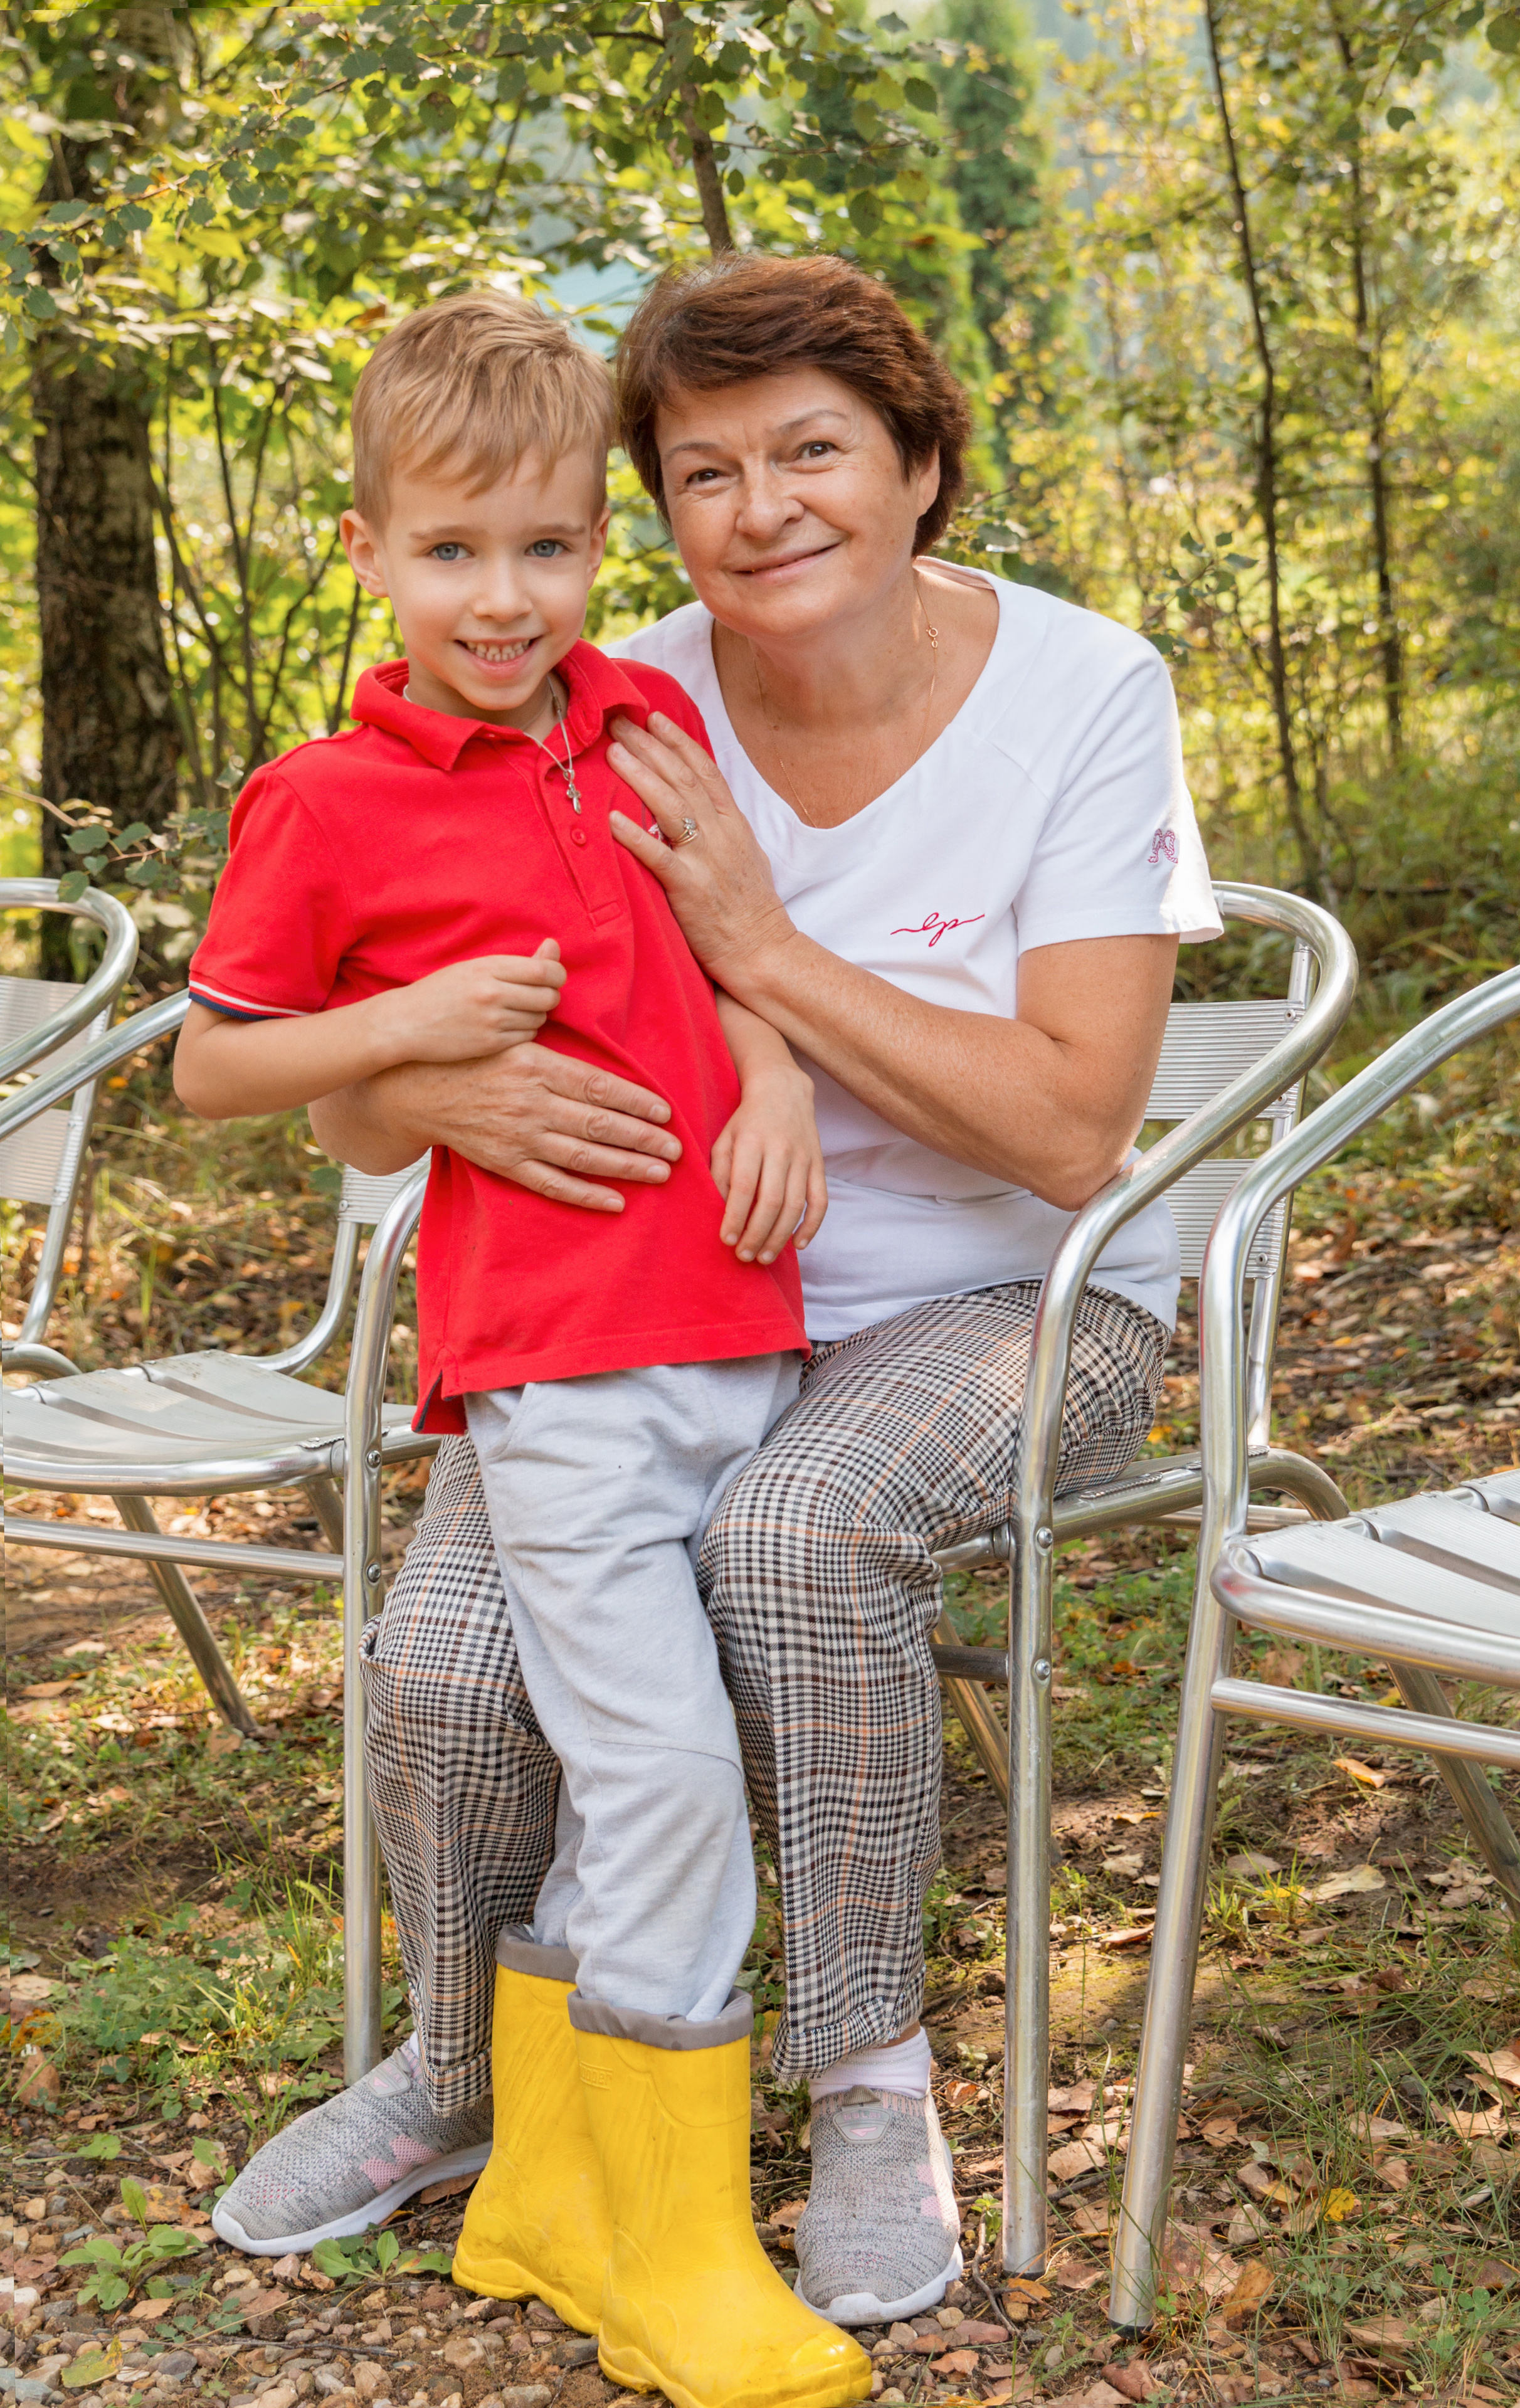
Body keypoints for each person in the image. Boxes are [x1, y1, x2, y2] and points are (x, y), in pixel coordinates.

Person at [233, 254, 1222, 2329]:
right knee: (441, 1665)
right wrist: (443, 1078)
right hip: (663, 1308)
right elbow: (353, 1095)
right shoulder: (591, 678)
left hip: (1006, 1298)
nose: (762, 507)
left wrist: (762, 956)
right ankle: (465, 2061)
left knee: (794, 1538)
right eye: (705, 470)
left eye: (813, 453)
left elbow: (1065, 1134)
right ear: (647, 510)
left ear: (921, 462)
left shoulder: (1079, 691)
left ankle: (865, 2072)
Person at [179, 290, 873, 2408]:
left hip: (741, 1333)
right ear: (373, 548)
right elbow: (219, 1070)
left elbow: (716, 949)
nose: (508, 597)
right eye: (456, 551)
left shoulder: (640, 730)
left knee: (636, 1782)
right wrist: (406, 1028)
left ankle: (547, 2193)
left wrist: (765, 1074)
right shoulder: (320, 803)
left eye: (552, 547)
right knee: (666, 1771)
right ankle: (666, 2240)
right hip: (561, 1368)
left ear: (602, 545)